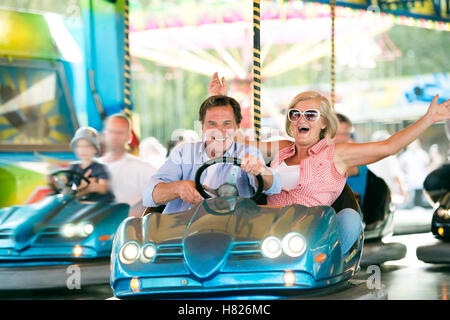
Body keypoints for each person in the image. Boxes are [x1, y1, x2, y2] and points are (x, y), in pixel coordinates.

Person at [208, 72, 450, 255]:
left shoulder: (337, 154)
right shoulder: (282, 147)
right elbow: (237, 141)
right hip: (270, 233)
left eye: (310, 115)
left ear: (323, 122)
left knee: (346, 222)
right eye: (295, 114)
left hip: (311, 236)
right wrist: (218, 100)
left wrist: (428, 119)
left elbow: (388, 147)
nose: (301, 119)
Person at [142, 95, 282, 214]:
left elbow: (274, 186)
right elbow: (149, 194)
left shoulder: (247, 152)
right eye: (212, 124)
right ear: (202, 127)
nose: (219, 131)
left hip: (232, 229)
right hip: (182, 229)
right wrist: (178, 188)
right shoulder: (183, 152)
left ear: (237, 127)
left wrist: (260, 171)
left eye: (227, 124)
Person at [99, 113, 157, 217]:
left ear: (129, 137)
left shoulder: (145, 169)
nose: (114, 136)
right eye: (111, 131)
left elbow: (160, 199)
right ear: (104, 134)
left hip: (126, 229)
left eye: (120, 133)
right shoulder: (91, 166)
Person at [50, 127, 114, 202]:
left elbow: (103, 188)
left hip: (95, 203)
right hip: (79, 202)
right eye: (80, 146)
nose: (83, 150)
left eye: (87, 146)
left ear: (95, 149)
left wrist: (93, 187)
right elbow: (64, 180)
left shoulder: (100, 167)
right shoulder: (74, 167)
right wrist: (56, 181)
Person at [367, 130, 409, 206]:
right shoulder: (389, 155)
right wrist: (403, 192)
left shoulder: (370, 155)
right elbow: (396, 175)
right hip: (387, 192)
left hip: (372, 190)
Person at [335, 113, 369, 206]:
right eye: (336, 134)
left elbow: (344, 170)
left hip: (350, 208)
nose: (340, 138)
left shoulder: (357, 157)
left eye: (345, 134)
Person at [399, 139, 430, 208]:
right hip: (409, 179)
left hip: (420, 178)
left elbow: (427, 163)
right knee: (410, 196)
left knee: (419, 195)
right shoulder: (405, 155)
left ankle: (418, 206)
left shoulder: (422, 153)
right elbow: (401, 166)